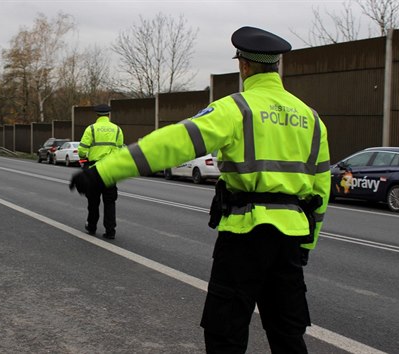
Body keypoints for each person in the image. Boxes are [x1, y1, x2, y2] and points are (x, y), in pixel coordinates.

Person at [69, 26, 330, 353]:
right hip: (290, 242)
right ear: (276, 65)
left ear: (244, 66)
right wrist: (308, 242)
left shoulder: (236, 109)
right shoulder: (312, 119)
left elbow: (172, 143)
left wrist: (103, 172)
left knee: (226, 334)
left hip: (244, 234)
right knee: (288, 334)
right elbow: (321, 190)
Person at [76, 104, 124, 239]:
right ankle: (110, 231)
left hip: (93, 169)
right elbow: (120, 150)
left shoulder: (91, 129)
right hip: (110, 169)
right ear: (109, 114)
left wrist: (84, 159)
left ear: (97, 114)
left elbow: (82, 149)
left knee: (93, 201)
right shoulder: (117, 130)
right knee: (110, 201)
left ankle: (91, 226)